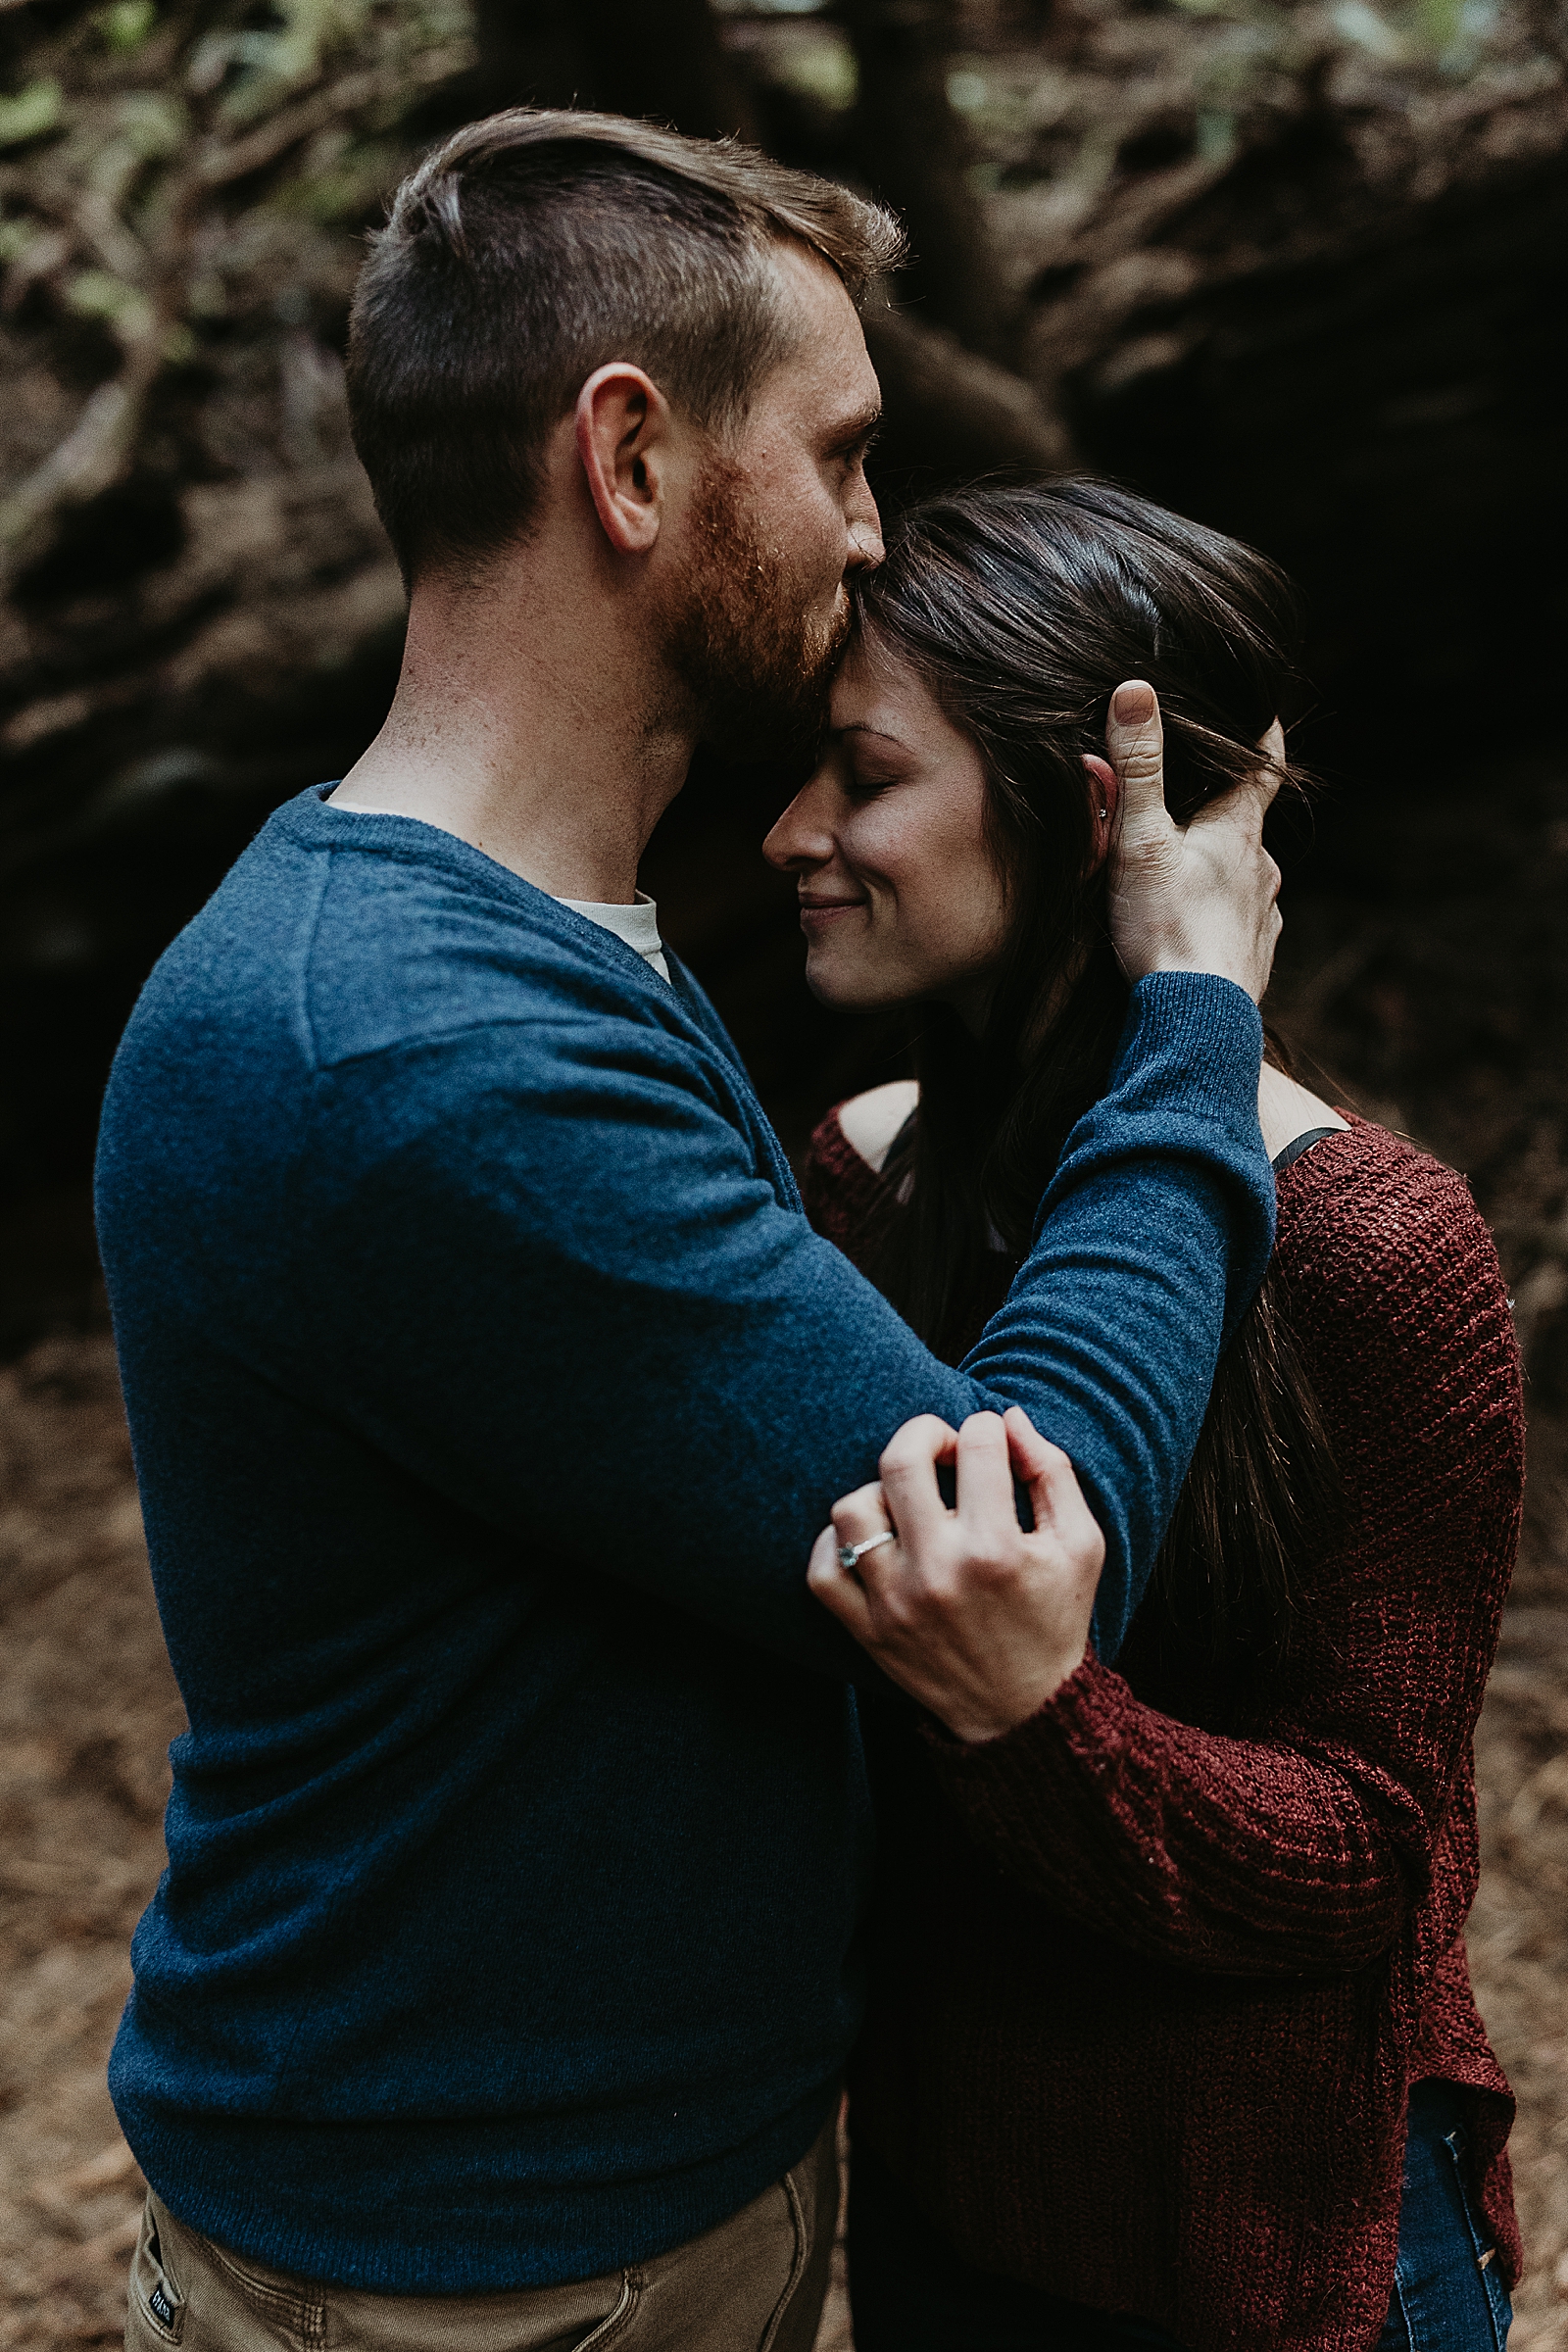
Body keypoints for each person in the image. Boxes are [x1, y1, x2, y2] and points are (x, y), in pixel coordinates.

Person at [97, 116, 1283, 2352]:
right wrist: (1191, 1018)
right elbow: (1015, 1543)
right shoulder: (413, 1048)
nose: (865, 525)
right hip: (476, 2264)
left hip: (580, 2196)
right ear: (627, 460)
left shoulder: (524, 945)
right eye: (834, 450)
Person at [774, 477, 1524, 2352]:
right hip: (947, 2229)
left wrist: (1036, 1716)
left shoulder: (1371, 1246)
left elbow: (1366, 1847)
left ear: (1090, 806)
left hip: (1291, 2261)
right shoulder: (860, 1180)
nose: (791, 834)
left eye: (863, 778)